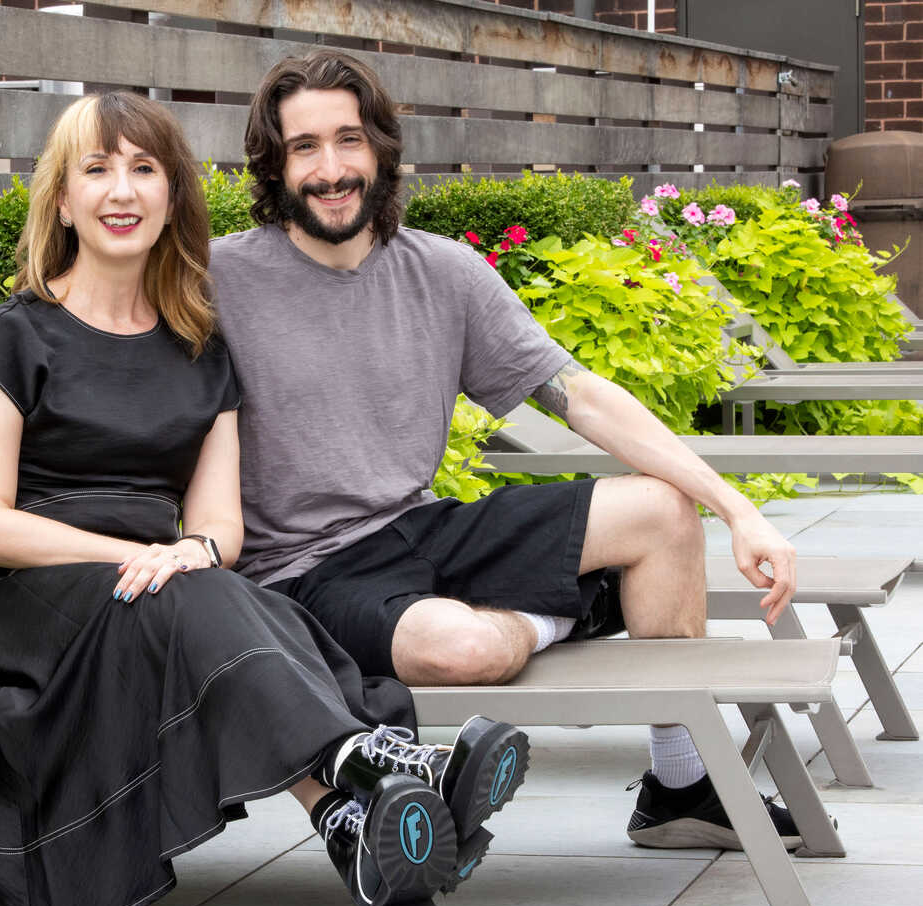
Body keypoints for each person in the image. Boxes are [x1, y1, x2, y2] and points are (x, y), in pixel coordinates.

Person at [0, 91, 530, 906]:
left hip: (149, 598)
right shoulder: (15, 335)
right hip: (29, 608)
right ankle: (389, 765)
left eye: (144, 169)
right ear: (61, 199)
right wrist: (148, 556)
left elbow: (216, 529)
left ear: (173, 197)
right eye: (96, 169)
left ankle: (357, 828)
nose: (120, 191)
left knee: (225, 587)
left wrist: (185, 556)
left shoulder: (201, 349)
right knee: (198, 591)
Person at [208, 51, 807, 851]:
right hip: (308, 571)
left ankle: (682, 784)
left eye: (348, 140)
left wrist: (739, 510)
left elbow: (581, 395)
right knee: (465, 648)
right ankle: (573, 607)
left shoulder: (444, 272)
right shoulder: (217, 277)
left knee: (663, 512)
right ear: (274, 165)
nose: (331, 168)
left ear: (381, 147)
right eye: (304, 147)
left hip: (425, 528)